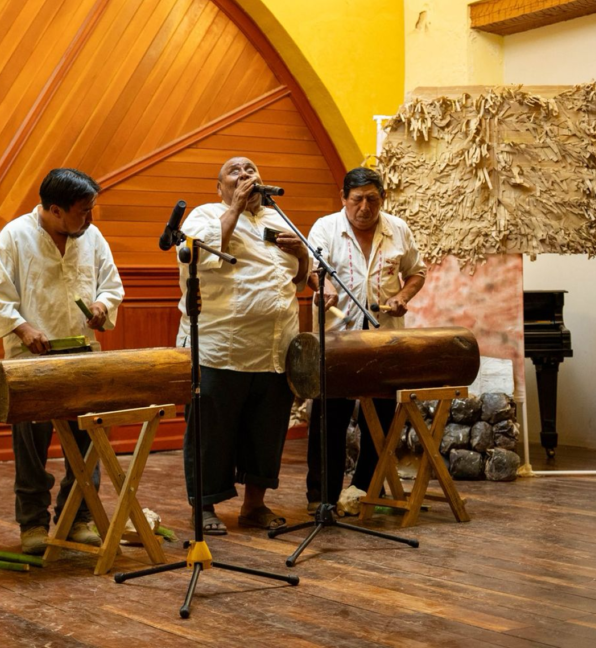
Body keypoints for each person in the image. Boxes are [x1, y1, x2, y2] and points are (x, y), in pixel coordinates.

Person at [0, 168, 124, 555]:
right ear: (55, 210)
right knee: (31, 447)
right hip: (31, 360)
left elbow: (111, 284)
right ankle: (33, 524)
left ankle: (78, 518)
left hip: (81, 355)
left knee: (87, 442)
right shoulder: (14, 235)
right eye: (83, 210)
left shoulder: (91, 236)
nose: (90, 218)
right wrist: (23, 328)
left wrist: (101, 305)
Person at [176, 156, 309, 534]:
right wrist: (234, 207)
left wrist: (301, 254)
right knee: (210, 433)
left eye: (251, 169)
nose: (246, 175)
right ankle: (203, 508)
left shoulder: (278, 219)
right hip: (222, 346)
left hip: (273, 348)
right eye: (234, 172)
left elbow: (301, 280)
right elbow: (196, 258)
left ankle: (255, 505)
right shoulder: (205, 215)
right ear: (219, 188)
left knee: (265, 431)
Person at [305, 167, 427, 514]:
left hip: (383, 338)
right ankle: (321, 496)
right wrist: (323, 286)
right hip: (338, 340)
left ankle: (364, 488)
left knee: (384, 416)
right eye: (356, 199)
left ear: (382, 199)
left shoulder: (397, 229)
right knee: (330, 417)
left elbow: (417, 272)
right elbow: (313, 270)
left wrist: (403, 296)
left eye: (372, 199)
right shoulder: (325, 228)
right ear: (343, 199)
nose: (364, 207)